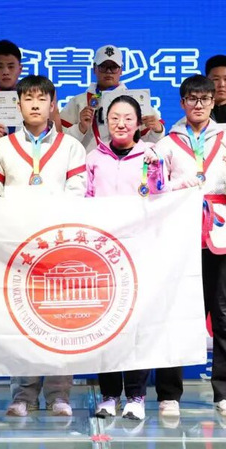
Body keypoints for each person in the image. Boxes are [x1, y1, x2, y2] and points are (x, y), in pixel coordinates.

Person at [154, 75, 226, 418]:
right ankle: (169, 394)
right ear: (182, 103)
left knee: (225, 317)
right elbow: (152, 188)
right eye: (192, 98)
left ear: (214, 102)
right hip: (179, 235)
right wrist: (174, 186)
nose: (198, 105)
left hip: (220, 235)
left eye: (204, 99)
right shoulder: (166, 144)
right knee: (175, 317)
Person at [0, 75, 86, 416]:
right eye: (28, 99)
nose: (36, 105)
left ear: (53, 104)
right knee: (21, 320)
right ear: (18, 104)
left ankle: (59, 394)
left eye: (42, 99)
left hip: (58, 247)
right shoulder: (0, 147)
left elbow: (78, 193)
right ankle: (23, 394)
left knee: (60, 320)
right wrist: (12, 220)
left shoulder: (71, 146)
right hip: (17, 247)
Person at [86, 95, 164, 421]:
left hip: (139, 252)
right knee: (106, 324)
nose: (121, 123)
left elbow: (160, 196)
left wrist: (156, 171)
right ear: (106, 121)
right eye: (115, 117)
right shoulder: (94, 157)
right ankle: (108, 395)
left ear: (138, 123)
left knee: (136, 325)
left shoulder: (151, 155)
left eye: (128, 118)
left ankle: (135, 396)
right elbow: (85, 200)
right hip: (103, 254)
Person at [61, 45, 164, 153]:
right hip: (88, 162)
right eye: (103, 66)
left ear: (121, 70)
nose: (108, 71)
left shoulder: (136, 100)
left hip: (127, 162)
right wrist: (80, 128)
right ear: (94, 69)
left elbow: (152, 143)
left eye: (114, 67)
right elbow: (61, 142)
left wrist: (157, 129)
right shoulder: (78, 102)